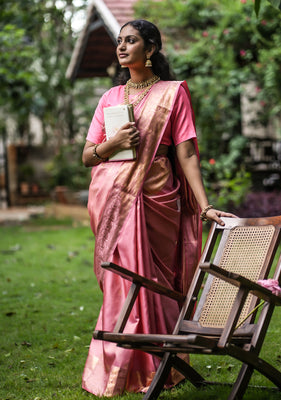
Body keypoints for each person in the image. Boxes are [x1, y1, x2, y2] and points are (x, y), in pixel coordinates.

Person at [81, 19, 236, 397]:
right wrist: (113, 142)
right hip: (111, 200)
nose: (121, 47)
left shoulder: (173, 93)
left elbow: (186, 153)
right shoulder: (109, 98)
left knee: (155, 284)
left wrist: (204, 206)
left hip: (155, 201)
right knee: (121, 282)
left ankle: (159, 365)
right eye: (120, 41)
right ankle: (119, 366)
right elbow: (87, 156)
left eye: (130, 41)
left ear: (150, 49)